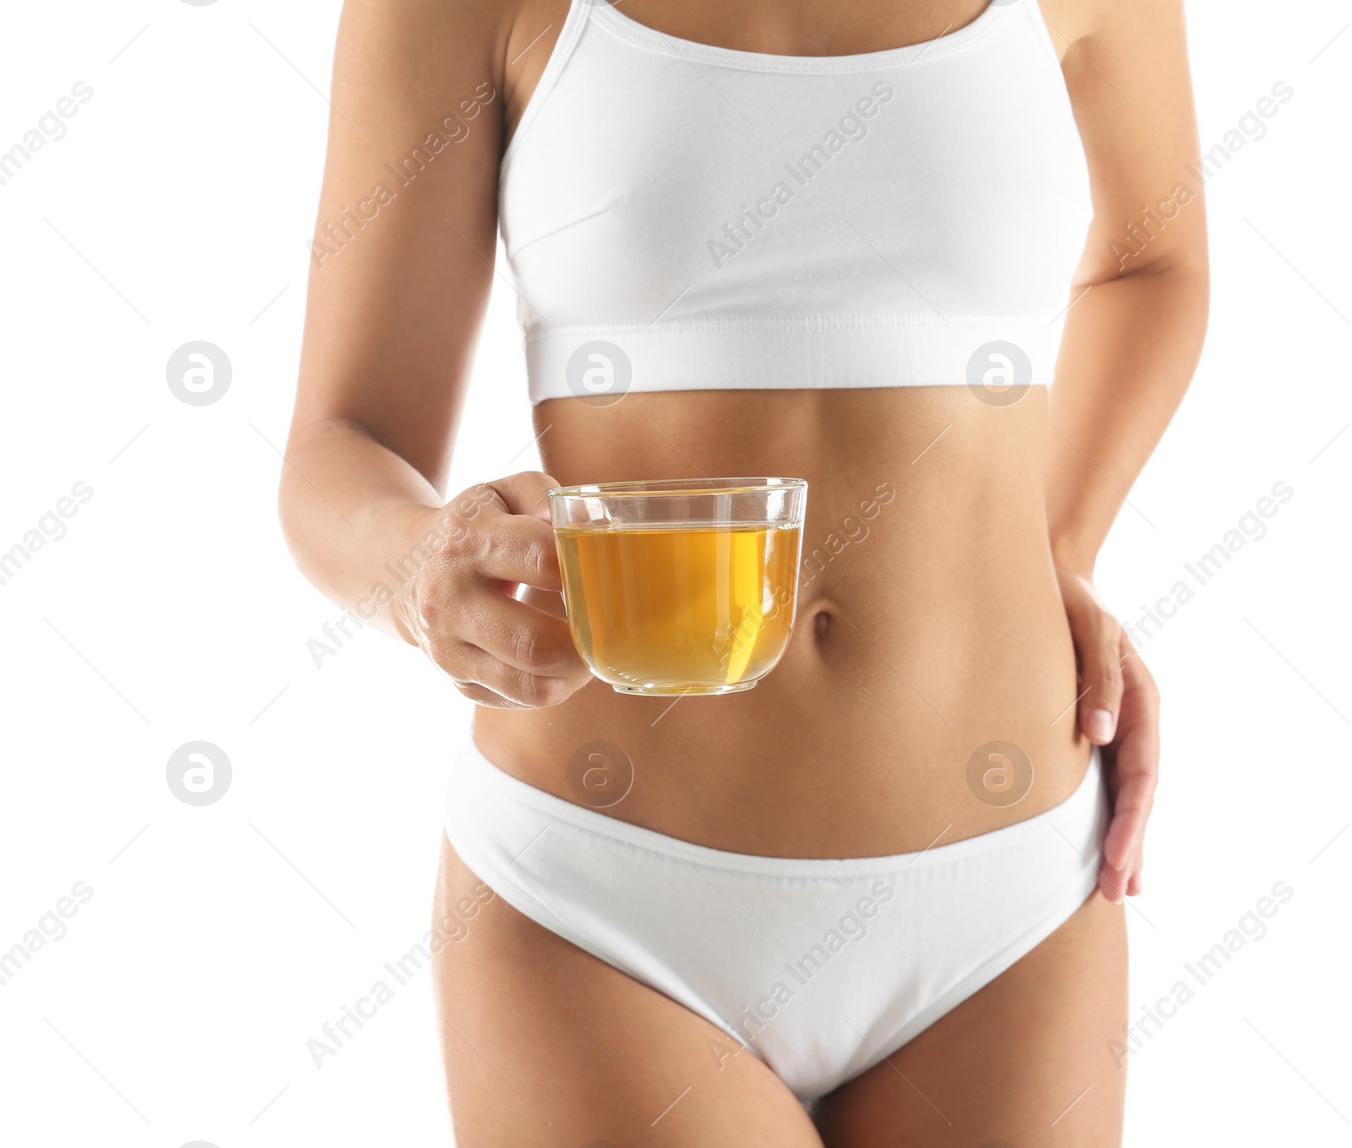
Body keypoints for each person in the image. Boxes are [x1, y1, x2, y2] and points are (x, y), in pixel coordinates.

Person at [279, 0, 1207, 1142]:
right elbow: (338, 448)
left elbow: (1151, 261)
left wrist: (1054, 550)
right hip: (604, 906)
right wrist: (419, 565)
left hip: (1011, 893)